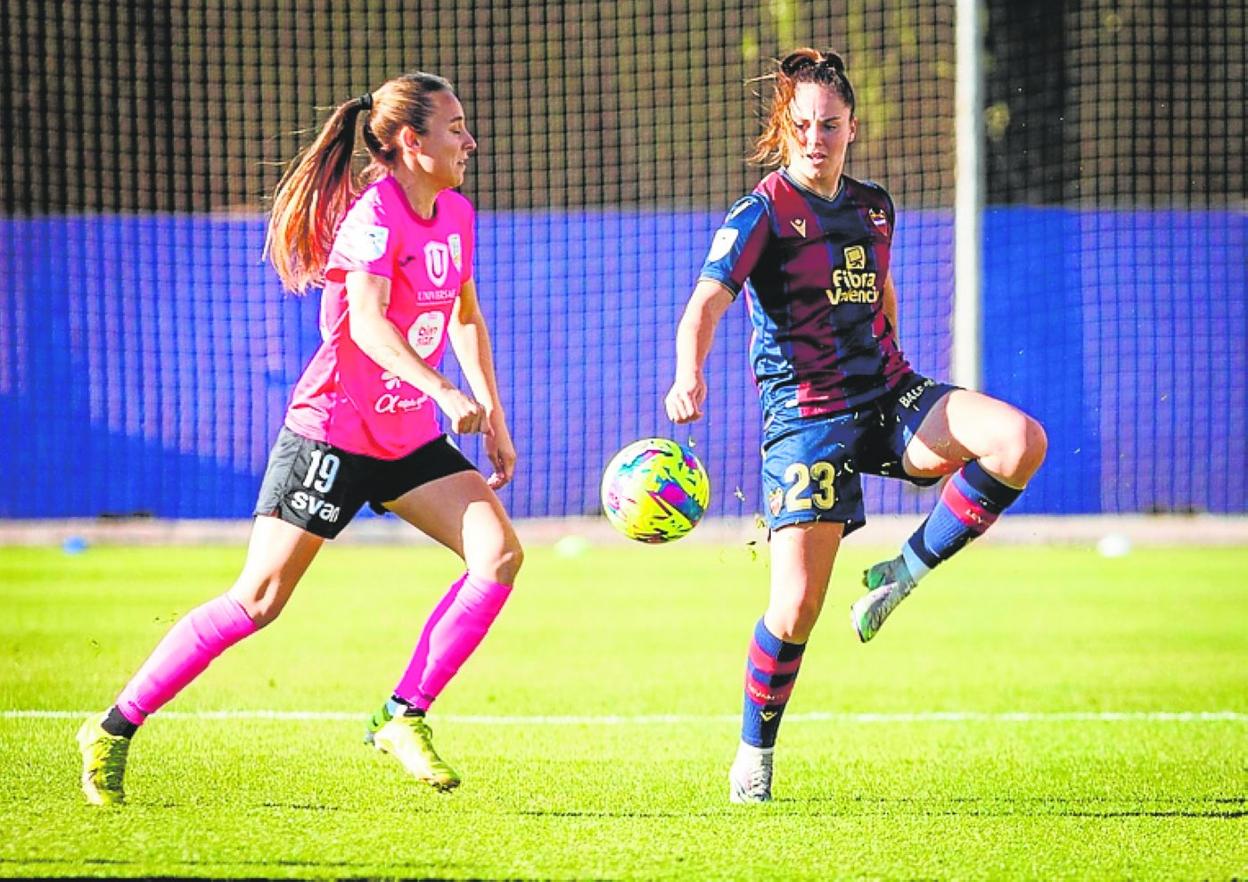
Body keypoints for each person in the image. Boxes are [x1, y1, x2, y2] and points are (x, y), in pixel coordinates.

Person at [77, 72, 523, 806]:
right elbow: (369, 326)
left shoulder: (456, 214)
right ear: (411, 142)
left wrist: (493, 415)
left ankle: (402, 714)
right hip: (334, 432)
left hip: (405, 437)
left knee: (499, 554)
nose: (469, 140)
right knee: (257, 601)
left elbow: (466, 317)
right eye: (455, 127)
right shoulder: (373, 217)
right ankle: (113, 728)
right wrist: (444, 391)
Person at [664, 48, 1046, 804]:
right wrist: (689, 372)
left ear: (851, 128)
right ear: (786, 127)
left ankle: (900, 576)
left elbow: (883, 288)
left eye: (829, 125)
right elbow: (706, 302)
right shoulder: (762, 211)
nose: (815, 137)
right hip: (807, 419)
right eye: (802, 125)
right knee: (797, 606)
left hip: (887, 392)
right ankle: (754, 756)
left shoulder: (876, 205)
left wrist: (901, 365)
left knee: (1017, 440)